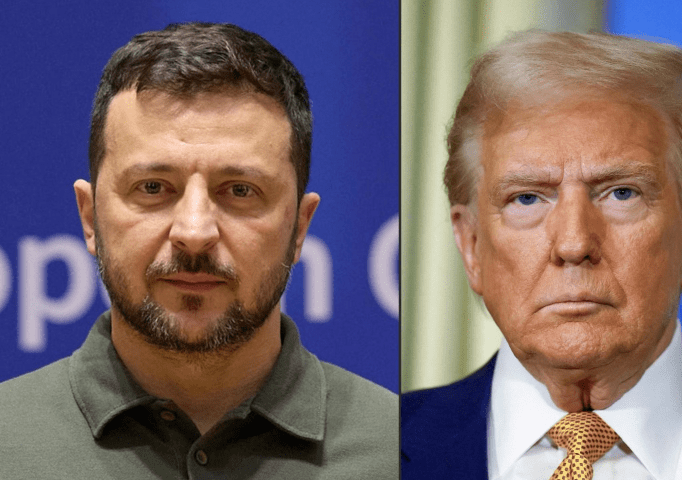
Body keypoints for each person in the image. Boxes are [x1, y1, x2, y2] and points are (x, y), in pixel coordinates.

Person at [0, 22, 397, 479]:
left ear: (300, 226)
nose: (194, 231)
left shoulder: (399, 450)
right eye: (152, 187)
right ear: (89, 218)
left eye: (240, 191)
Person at [401, 30, 682, 480]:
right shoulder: (376, 450)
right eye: (528, 199)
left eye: (621, 193)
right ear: (472, 244)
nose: (573, 245)